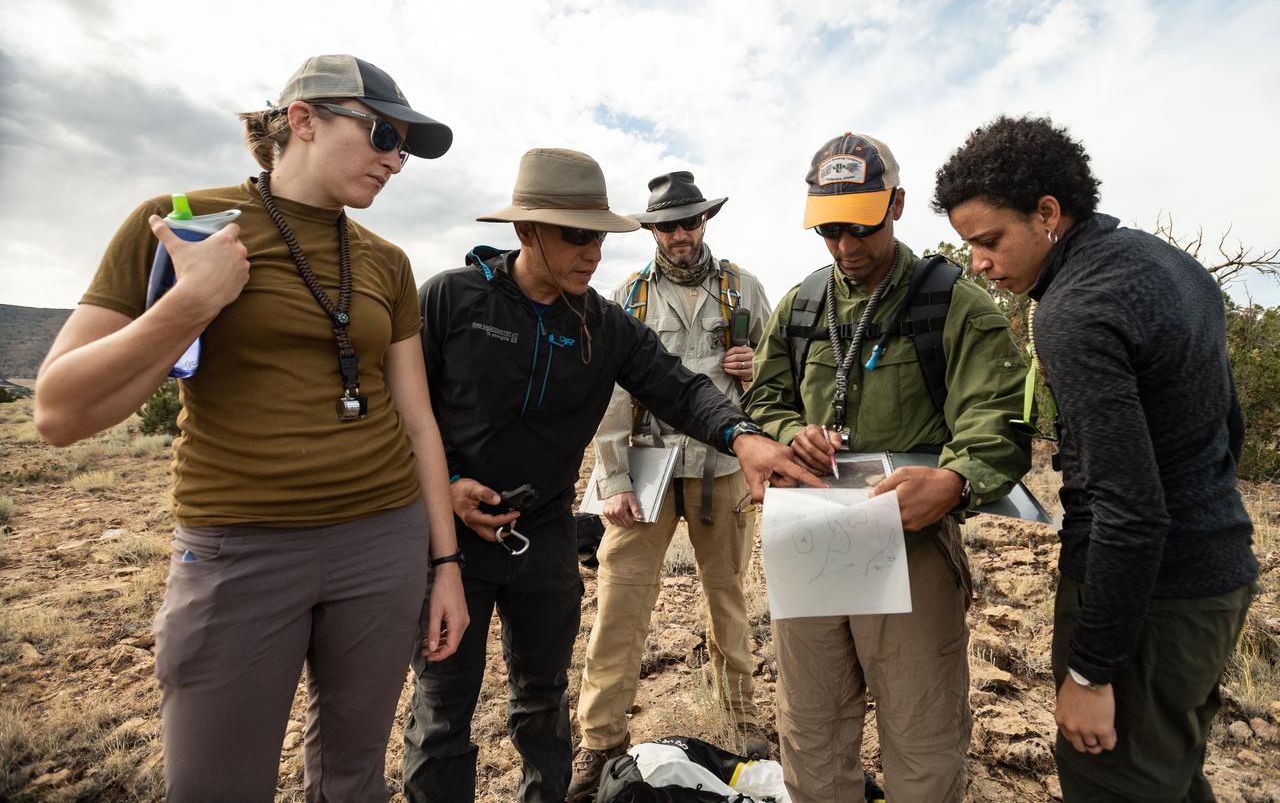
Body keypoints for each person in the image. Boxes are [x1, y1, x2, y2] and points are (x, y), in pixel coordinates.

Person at [33, 55, 468, 802]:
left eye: (405, 148)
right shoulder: (182, 224)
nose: (396, 160)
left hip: (382, 543)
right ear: (303, 120)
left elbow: (417, 419)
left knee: (355, 776)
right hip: (240, 549)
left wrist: (446, 564)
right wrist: (190, 302)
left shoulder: (387, 262)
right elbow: (58, 411)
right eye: (384, 134)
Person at [401, 148, 821, 803]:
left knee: (542, 699)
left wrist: (743, 435)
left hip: (543, 536)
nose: (593, 250)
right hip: (452, 544)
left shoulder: (604, 321)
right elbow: (403, 410)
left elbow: (678, 388)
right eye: (576, 234)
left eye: (600, 234)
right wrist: (448, 485)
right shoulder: (452, 300)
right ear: (525, 230)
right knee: (443, 711)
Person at [934, 115, 1258, 802]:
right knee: (1170, 771)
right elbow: (1227, 423)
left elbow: (1131, 508)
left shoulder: (1074, 309)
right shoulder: (1171, 265)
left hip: (1150, 600)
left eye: (989, 241)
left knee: (1117, 783)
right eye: (968, 246)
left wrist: (1090, 671)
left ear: (1048, 213)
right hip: (1220, 572)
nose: (979, 264)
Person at [743, 132, 1031, 803]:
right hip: (811, 540)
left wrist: (955, 480)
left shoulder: (951, 302)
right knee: (811, 732)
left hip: (911, 548)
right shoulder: (802, 303)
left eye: (863, 226)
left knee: (923, 736)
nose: (847, 246)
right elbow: (764, 399)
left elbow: (999, 420)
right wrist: (792, 434)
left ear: (897, 205)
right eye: (831, 230)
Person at [570, 172, 774, 797]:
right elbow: (605, 392)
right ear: (652, 230)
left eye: (690, 222)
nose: (680, 234)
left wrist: (755, 366)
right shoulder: (625, 297)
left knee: (728, 598)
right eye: (668, 225)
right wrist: (613, 478)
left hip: (722, 470)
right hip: (646, 470)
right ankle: (600, 740)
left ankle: (741, 719)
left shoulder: (744, 288)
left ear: (705, 222)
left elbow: (780, 375)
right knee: (620, 600)